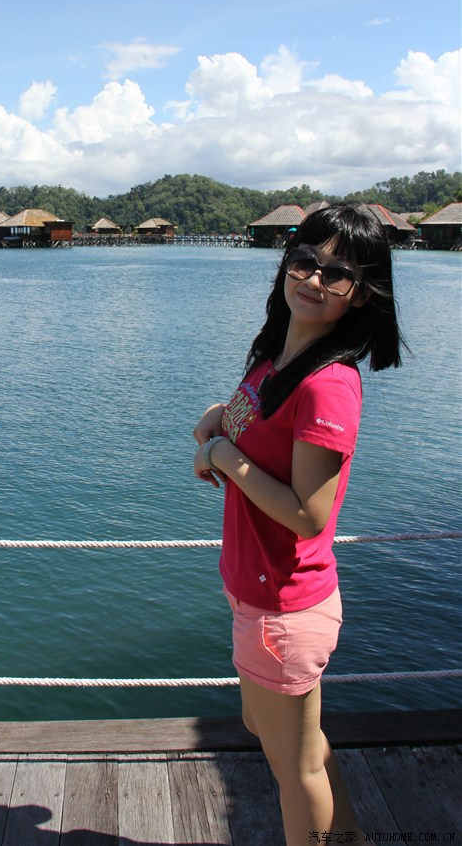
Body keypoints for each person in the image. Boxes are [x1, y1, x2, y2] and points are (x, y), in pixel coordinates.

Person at [193, 203, 405, 846]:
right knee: (284, 739)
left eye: (337, 273)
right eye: (305, 260)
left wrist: (222, 455)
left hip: (283, 604)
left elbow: (310, 515)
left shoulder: (328, 384)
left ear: (361, 294)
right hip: (255, 590)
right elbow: (260, 420)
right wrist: (219, 419)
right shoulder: (277, 357)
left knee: (296, 769)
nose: (314, 278)